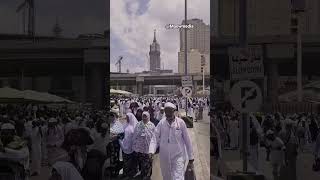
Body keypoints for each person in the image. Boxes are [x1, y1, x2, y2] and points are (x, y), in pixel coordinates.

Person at [150, 102, 194, 180]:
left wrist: (191, 156)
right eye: (166, 112)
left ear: (174, 112)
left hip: (178, 156)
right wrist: (151, 150)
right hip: (164, 157)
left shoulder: (180, 123)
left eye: (170, 112)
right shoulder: (162, 123)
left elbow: (187, 140)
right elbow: (155, 137)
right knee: (167, 177)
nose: (168, 114)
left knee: (178, 177)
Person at [132, 111, 156, 180]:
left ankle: (147, 176)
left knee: (148, 163)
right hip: (140, 149)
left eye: (146, 116)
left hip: (148, 149)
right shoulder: (138, 124)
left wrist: (154, 148)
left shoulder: (152, 125)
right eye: (143, 116)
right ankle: (143, 175)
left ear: (148, 116)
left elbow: (154, 137)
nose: (144, 118)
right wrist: (134, 146)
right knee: (142, 163)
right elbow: (135, 135)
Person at [118, 113, 138, 179]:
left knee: (132, 161)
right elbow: (121, 134)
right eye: (126, 117)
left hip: (132, 147)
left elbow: (136, 137)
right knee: (126, 161)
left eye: (128, 117)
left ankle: (131, 173)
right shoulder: (125, 124)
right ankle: (125, 173)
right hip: (124, 146)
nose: (127, 119)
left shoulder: (135, 126)